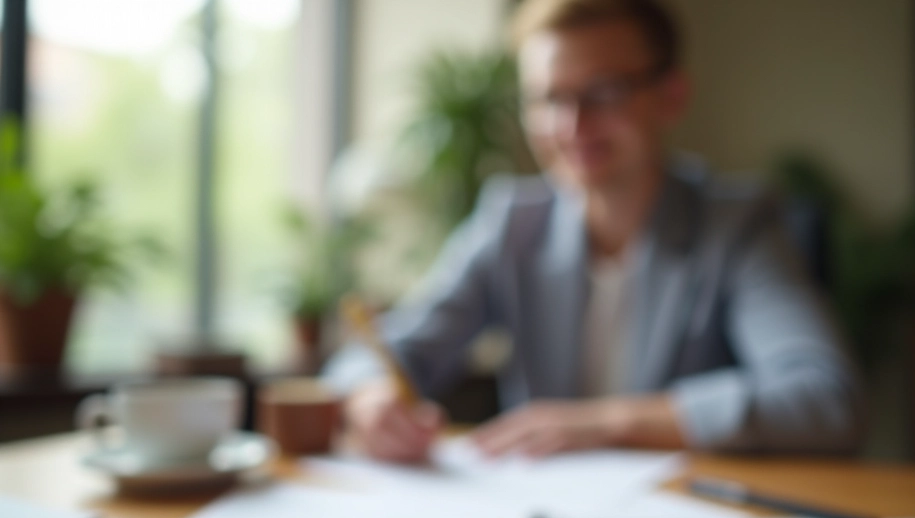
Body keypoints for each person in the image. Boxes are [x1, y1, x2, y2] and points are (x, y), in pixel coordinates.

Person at [323, 0, 862, 462]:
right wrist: (367, 398)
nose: (572, 126)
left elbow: (823, 399)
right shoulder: (511, 223)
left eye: (603, 92)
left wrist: (608, 423)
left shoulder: (736, 225)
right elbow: (383, 355)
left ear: (670, 96)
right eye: (549, 99)